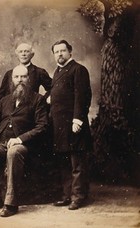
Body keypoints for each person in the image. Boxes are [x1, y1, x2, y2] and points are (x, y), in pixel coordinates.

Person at [0, 65, 48, 217]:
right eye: (17, 77)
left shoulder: (37, 99)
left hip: (25, 145)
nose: (20, 80)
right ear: (12, 80)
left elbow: (42, 126)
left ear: (29, 79)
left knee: (13, 152)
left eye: (23, 77)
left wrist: (20, 139)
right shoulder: (5, 100)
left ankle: (11, 203)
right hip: (2, 143)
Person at [50, 40, 92, 210]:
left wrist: (78, 119)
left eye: (63, 51)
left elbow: (82, 96)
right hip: (59, 125)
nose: (59, 54)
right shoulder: (57, 71)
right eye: (56, 52)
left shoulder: (78, 70)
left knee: (77, 163)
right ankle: (67, 195)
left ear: (70, 52)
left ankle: (79, 196)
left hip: (73, 124)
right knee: (64, 162)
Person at [0, 42, 52, 110]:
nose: (23, 54)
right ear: (17, 55)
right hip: (11, 111)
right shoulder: (9, 73)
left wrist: (42, 100)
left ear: (32, 55)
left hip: (30, 110)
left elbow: (53, 88)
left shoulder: (38, 72)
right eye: (20, 52)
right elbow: (1, 95)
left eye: (26, 51)